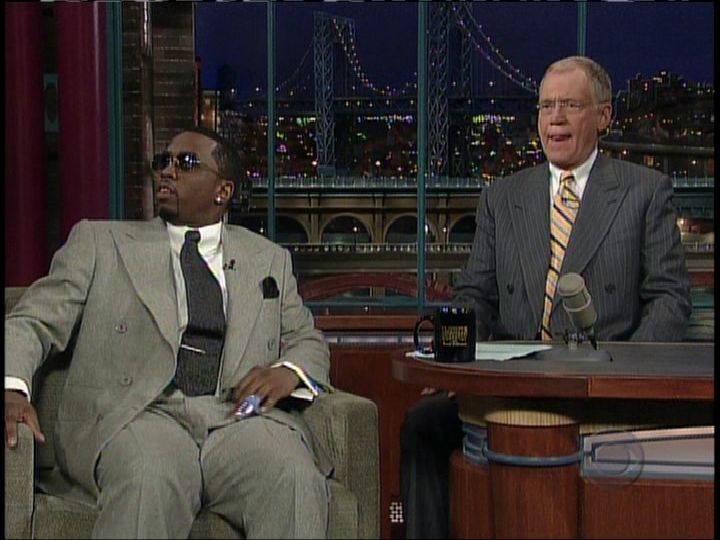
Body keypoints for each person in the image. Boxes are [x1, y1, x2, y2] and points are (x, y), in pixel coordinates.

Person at [400, 55, 691, 539]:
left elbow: (669, 299)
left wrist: (627, 376)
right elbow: (476, 294)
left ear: (603, 115)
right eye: (546, 106)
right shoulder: (503, 197)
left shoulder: (644, 191)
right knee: (422, 424)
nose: (555, 118)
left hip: (602, 391)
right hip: (512, 383)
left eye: (571, 105)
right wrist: (456, 356)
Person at [5, 126, 332, 538]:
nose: (167, 171)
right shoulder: (101, 242)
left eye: (186, 163)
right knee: (150, 476)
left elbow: (307, 338)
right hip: (141, 414)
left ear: (223, 191)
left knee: (293, 476)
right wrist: (12, 387)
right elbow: (31, 320)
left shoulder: (268, 259)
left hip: (236, 419)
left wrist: (288, 371)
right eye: (163, 161)